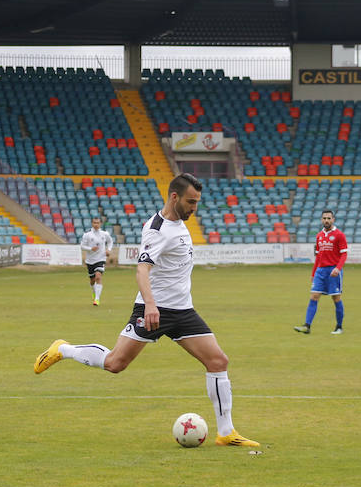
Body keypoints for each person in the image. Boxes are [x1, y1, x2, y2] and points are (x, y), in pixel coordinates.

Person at [34, 173, 259, 447]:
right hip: (154, 310)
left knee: (218, 361)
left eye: (197, 202)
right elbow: (142, 269)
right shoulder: (157, 230)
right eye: (190, 202)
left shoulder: (179, 221)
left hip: (183, 311)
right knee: (116, 364)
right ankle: (63, 349)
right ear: (174, 197)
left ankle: (226, 433)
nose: (194, 208)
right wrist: (151, 305)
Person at [293, 209, 348, 335]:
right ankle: (307, 326)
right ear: (321, 220)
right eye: (324, 218)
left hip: (333, 271)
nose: (326, 220)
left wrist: (337, 268)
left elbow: (344, 254)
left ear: (333, 220)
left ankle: (339, 327)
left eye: (329, 218)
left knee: (336, 298)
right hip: (320, 271)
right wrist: (313, 273)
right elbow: (318, 257)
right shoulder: (319, 236)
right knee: (314, 296)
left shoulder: (339, 235)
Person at [80, 217, 114, 306]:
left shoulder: (104, 234)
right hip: (90, 260)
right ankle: (95, 293)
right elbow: (82, 246)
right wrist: (91, 249)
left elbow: (110, 242)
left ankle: (97, 299)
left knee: (98, 277)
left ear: (100, 224)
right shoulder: (87, 235)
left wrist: (109, 250)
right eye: (94, 223)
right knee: (92, 280)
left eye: (98, 223)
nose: (96, 224)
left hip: (101, 259)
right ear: (92, 223)